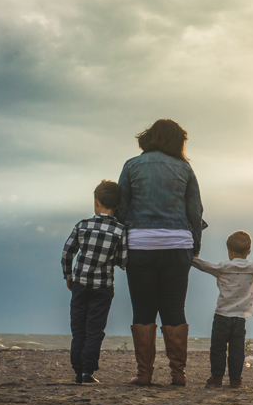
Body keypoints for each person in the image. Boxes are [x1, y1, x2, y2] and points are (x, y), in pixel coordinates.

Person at [118, 119, 204, 386]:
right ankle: (178, 374)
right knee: (174, 308)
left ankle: (144, 374)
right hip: (178, 245)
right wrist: (194, 244)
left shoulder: (132, 165)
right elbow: (195, 210)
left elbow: (122, 207)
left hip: (140, 244)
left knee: (143, 309)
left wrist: (120, 245)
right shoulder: (184, 168)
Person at [61, 180, 128, 385]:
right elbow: (123, 260)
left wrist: (68, 276)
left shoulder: (82, 225)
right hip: (103, 287)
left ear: (96, 202)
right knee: (95, 330)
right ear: (117, 206)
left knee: (78, 329)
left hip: (80, 284)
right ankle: (87, 372)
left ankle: (77, 371)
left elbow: (67, 253)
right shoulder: (120, 230)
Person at [192, 231, 253, 389]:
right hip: (240, 317)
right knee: (237, 350)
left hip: (222, 315)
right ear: (249, 251)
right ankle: (235, 379)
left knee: (218, 348)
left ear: (229, 251)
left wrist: (193, 257)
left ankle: (217, 377)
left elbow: (204, 265)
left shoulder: (223, 267)